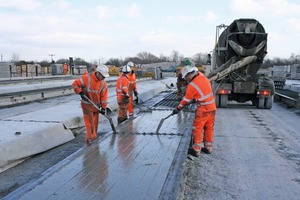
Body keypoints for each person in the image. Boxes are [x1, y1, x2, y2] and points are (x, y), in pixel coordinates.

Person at [172, 65, 216, 157]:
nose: (186, 79)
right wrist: (196, 98)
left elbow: (185, 100)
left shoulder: (192, 85)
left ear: (189, 74)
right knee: (209, 127)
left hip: (203, 109)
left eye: (186, 77)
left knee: (197, 128)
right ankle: (208, 147)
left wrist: (178, 109)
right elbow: (203, 91)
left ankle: (196, 149)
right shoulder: (202, 77)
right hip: (212, 107)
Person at [72, 65, 109, 145]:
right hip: (87, 105)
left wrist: (103, 108)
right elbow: (75, 84)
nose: (103, 78)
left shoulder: (103, 83)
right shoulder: (86, 78)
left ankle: (93, 139)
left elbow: (104, 96)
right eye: (102, 76)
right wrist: (79, 91)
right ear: (98, 73)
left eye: (104, 77)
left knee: (95, 125)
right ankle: (89, 141)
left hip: (96, 107)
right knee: (89, 124)